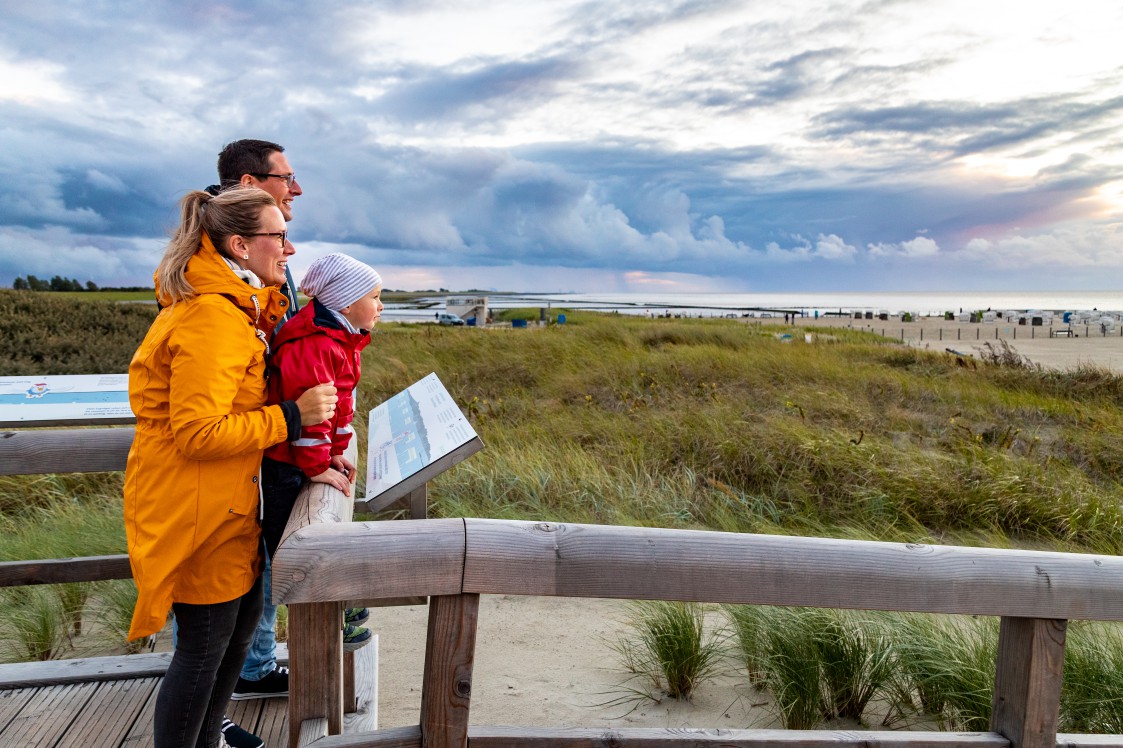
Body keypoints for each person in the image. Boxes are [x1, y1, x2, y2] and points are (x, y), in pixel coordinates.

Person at [125, 187, 337, 748]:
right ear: (241, 246)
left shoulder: (235, 308)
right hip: (198, 511)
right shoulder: (212, 318)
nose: (289, 249)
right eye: (279, 236)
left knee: (235, 638)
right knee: (203, 650)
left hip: (227, 505)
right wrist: (293, 416)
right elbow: (198, 433)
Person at [260, 253, 382, 651]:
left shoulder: (341, 338)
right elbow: (312, 414)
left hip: (300, 461)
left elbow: (341, 405)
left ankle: (336, 604)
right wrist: (316, 466)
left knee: (310, 542)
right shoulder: (314, 344)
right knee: (289, 553)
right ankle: (328, 618)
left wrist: (333, 452)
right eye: (374, 297)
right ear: (345, 304)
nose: (381, 306)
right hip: (283, 467)